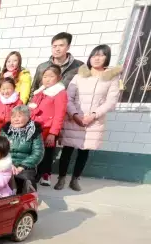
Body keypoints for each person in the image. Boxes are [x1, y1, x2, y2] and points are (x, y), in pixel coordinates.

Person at [57, 45, 122, 192]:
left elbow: (111, 101)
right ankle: (61, 178)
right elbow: (68, 98)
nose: (97, 58)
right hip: (74, 118)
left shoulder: (111, 78)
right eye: (94, 55)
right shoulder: (79, 76)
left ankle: (75, 179)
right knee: (67, 150)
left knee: (84, 151)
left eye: (101, 55)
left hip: (93, 121)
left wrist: (93, 115)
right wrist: (74, 115)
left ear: (107, 58)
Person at [28, 64, 68, 186]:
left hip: (47, 129)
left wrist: (53, 133)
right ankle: (34, 174)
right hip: (35, 127)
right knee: (35, 151)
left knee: (47, 154)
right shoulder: (39, 91)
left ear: (59, 77)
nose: (47, 79)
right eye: (45, 76)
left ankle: (45, 175)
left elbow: (59, 114)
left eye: (51, 76)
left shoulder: (60, 93)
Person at [0, 105, 44, 190]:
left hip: (26, 166)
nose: (16, 119)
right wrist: (8, 164)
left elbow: (38, 152)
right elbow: (0, 149)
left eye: (19, 116)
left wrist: (23, 166)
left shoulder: (35, 131)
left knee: (26, 180)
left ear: (28, 117)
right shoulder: (6, 130)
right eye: (13, 117)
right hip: (7, 163)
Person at [31, 32, 83, 97]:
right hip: (44, 105)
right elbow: (34, 90)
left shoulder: (79, 66)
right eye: (54, 46)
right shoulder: (42, 67)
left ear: (68, 47)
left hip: (67, 105)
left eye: (61, 45)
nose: (57, 49)